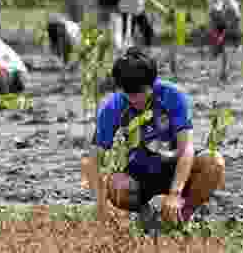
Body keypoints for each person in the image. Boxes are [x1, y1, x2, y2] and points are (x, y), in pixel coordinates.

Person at [80, 48, 225, 229]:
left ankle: (182, 217)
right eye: (128, 93)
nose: (135, 99)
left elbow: (186, 147)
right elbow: (92, 158)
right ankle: (146, 216)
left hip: (174, 165)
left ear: (152, 82)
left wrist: (175, 193)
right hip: (140, 172)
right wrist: (101, 205)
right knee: (115, 186)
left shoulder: (172, 96)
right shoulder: (114, 106)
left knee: (214, 162)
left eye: (140, 92)